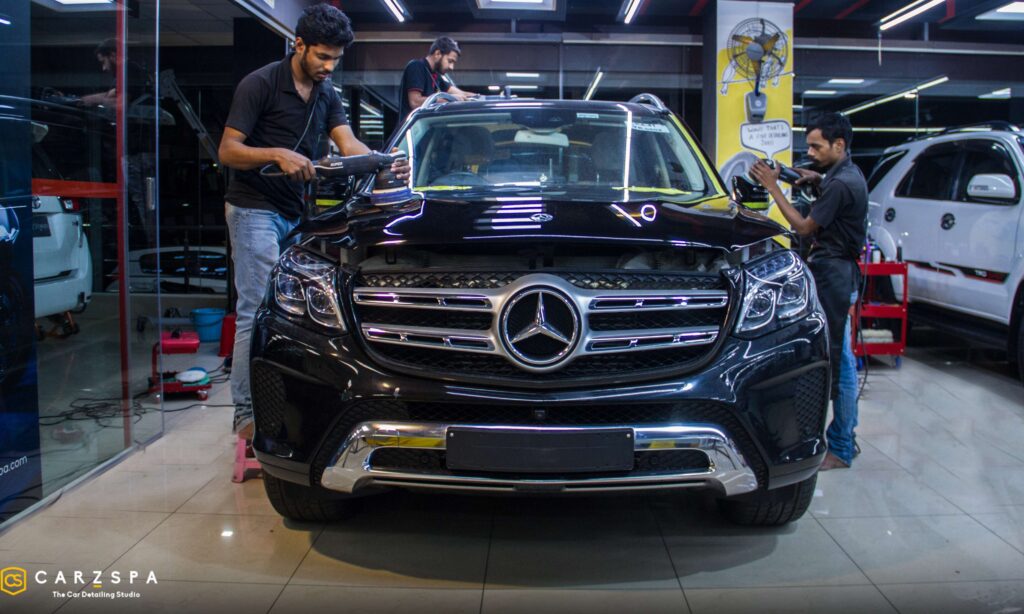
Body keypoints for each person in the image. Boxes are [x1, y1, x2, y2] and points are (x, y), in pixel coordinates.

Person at [218, 4, 409, 441]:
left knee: (294, 315)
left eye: (336, 60)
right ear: (299, 45)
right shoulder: (261, 84)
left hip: (295, 214)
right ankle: (248, 418)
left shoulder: (327, 95)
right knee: (257, 310)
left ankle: (287, 403)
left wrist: (384, 162)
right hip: (253, 209)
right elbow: (227, 151)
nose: (328, 66)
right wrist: (275, 153)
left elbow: (348, 144)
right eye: (322, 57)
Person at [750, 112, 867, 471]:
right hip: (839, 273)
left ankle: (842, 447)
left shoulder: (840, 184)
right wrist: (814, 178)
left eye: (817, 147)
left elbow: (802, 227)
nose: (811, 152)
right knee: (842, 355)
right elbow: (829, 193)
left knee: (838, 360)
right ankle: (847, 437)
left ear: (839, 145)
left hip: (834, 275)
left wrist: (773, 185)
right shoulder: (845, 175)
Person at [398, 36, 477, 122]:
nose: (451, 67)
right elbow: (415, 102)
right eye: (450, 61)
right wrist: (450, 98)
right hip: (413, 130)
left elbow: (461, 94)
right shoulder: (416, 67)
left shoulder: (436, 76)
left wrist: (480, 97)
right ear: (438, 54)